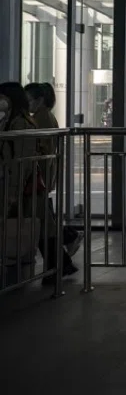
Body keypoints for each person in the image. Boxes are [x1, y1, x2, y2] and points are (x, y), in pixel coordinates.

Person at [0, 82, 77, 283]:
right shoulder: (23, 120)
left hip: (28, 185)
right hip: (33, 183)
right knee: (43, 225)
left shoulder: (25, 122)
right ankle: (61, 263)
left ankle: (59, 262)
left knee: (41, 225)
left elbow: (23, 159)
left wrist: (13, 192)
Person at [24, 83, 82, 258]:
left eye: (29, 100)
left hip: (39, 176)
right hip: (43, 176)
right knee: (45, 217)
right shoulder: (46, 116)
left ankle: (68, 240)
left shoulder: (41, 119)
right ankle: (67, 245)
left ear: (39, 100)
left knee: (43, 219)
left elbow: (42, 149)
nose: (27, 104)